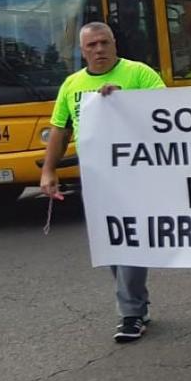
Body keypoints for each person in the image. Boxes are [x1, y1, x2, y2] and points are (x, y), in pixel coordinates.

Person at [40, 22, 166, 343]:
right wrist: (48, 171)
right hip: (96, 176)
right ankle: (136, 304)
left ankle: (131, 313)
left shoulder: (139, 74)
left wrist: (128, 102)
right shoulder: (72, 84)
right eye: (91, 45)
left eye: (104, 43)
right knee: (113, 242)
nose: (99, 50)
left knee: (132, 241)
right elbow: (60, 129)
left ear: (115, 44)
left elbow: (167, 114)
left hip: (137, 172)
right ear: (82, 51)